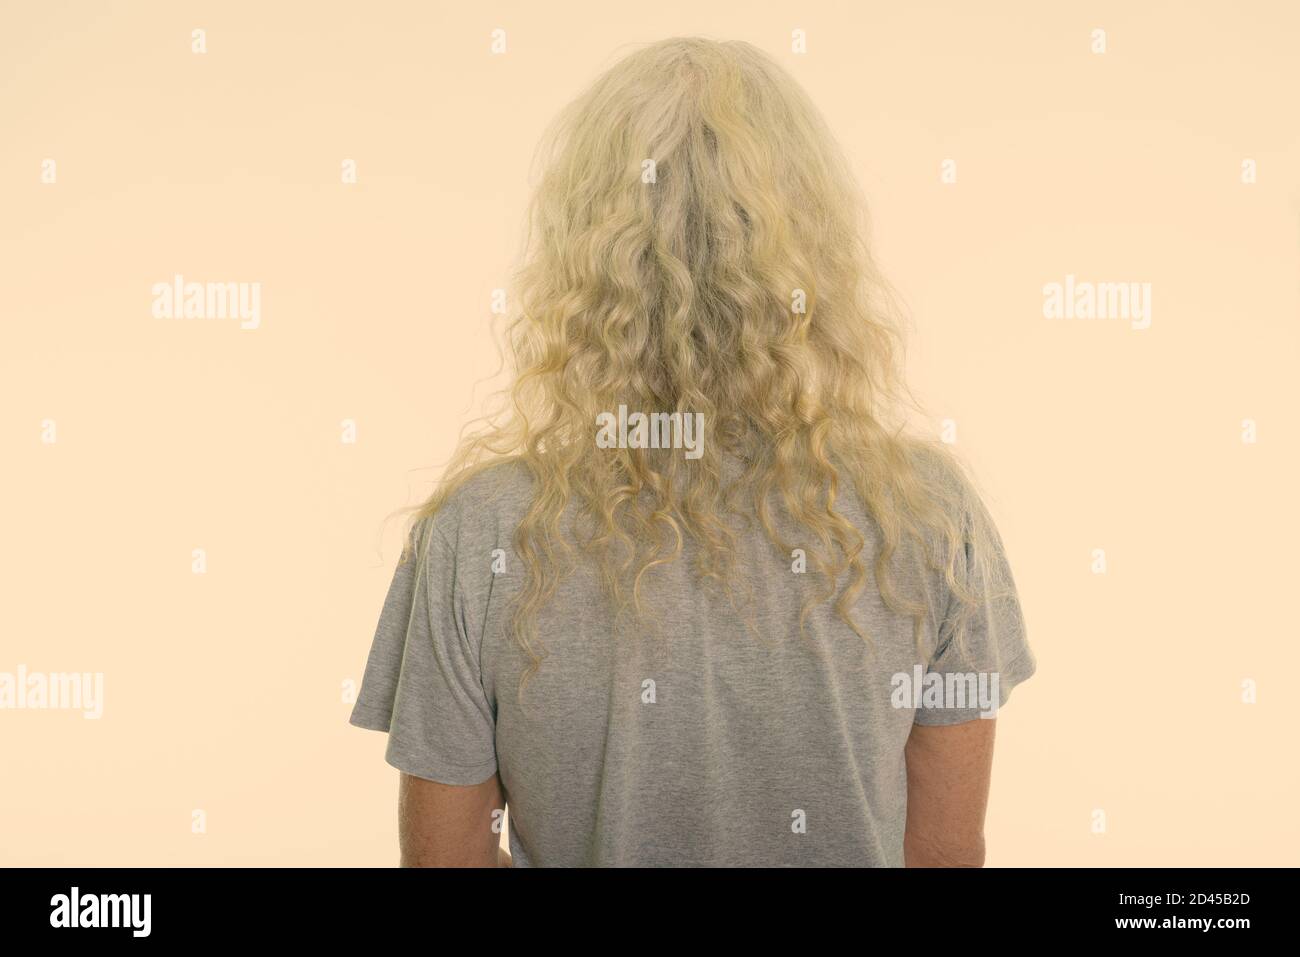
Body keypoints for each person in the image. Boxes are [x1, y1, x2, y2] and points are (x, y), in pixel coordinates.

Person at [349, 36, 1036, 867]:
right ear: (814, 239)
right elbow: (945, 854)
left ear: (583, 249)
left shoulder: (479, 532)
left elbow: (443, 861)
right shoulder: (927, 515)